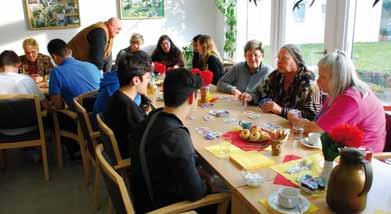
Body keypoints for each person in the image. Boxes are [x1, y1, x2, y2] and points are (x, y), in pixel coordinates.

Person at [130, 69, 220, 213]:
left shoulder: (154, 116)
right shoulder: (176, 136)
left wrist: (196, 171)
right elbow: (195, 192)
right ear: (192, 98)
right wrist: (210, 187)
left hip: (143, 195)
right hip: (162, 208)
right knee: (227, 197)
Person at [288, 50, 386, 152]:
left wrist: (294, 119)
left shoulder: (350, 99)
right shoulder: (338, 92)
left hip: (361, 156)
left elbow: (317, 130)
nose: (317, 80)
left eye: (323, 77)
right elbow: (319, 122)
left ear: (336, 79)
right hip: (343, 148)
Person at [239, 44, 322, 120]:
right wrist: (250, 97)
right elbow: (260, 93)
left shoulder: (309, 83)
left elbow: (313, 116)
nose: (279, 61)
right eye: (278, 58)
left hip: (295, 130)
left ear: (297, 60)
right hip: (273, 123)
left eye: (284, 58)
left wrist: (281, 110)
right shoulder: (276, 75)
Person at [102, 52, 153, 159]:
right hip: (132, 158)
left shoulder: (117, 97)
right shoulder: (128, 108)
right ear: (136, 80)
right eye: (148, 78)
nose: (149, 83)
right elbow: (149, 139)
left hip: (123, 147)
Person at [47, 39, 101, 109]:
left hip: (81, 115)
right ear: (70, 52)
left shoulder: (56, 72)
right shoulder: (91, 65)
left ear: (54, 57)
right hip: (101, 111)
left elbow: (58, 105)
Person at [92, 51, 149, 115]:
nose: (148, 81)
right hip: (105, 123)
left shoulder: (115, 78)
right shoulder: (120, 93)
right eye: (147, 77)